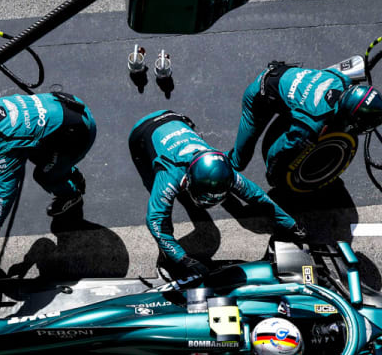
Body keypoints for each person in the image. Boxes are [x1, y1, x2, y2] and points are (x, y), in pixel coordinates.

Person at [129, 110, 305, 282]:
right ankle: (167, 258)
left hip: (174, 120)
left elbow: (257, 196)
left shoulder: (225, 170)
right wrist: (182, 259)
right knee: (157, 198)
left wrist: (291, 225)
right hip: (142, 134)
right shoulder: (169, 176)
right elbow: (155, 222)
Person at [0, 93, 98, 253]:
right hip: (70, 106)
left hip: (79, 133)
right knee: (33, 148)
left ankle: (71, 195)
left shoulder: (9, 143)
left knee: (44, 176)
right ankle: (69, 172)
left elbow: (6, 192)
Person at [230, 62, 382, 190]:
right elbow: (277, 152)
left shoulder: (342, 80)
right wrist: (272, 175)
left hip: (285, 76)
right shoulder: (311, 123)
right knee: (239, 162)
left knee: (304, 111)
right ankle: (212, 159)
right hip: (258, 96)